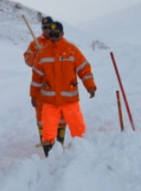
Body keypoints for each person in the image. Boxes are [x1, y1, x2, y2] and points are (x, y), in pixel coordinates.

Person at [30, 21, 96, 156]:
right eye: (52, 35)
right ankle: (50, 158)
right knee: (48, 133)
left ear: (62, 34)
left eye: (57, 34)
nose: (54, 37)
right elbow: (36, 77)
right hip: (49, 102)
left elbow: (84, 69)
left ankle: (84, 155)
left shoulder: (71, 50)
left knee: (79, 130)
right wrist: (33, 95)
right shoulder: (43, 53)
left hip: (70, 100)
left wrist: (90, 86)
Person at [23, 16, 67, 151]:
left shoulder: (60, 42)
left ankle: (59, 144)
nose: (46, 30)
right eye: (44, 28)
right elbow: (28, 60)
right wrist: (37, 55)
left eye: (48, 28)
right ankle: (47, 148)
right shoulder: (35, 43)